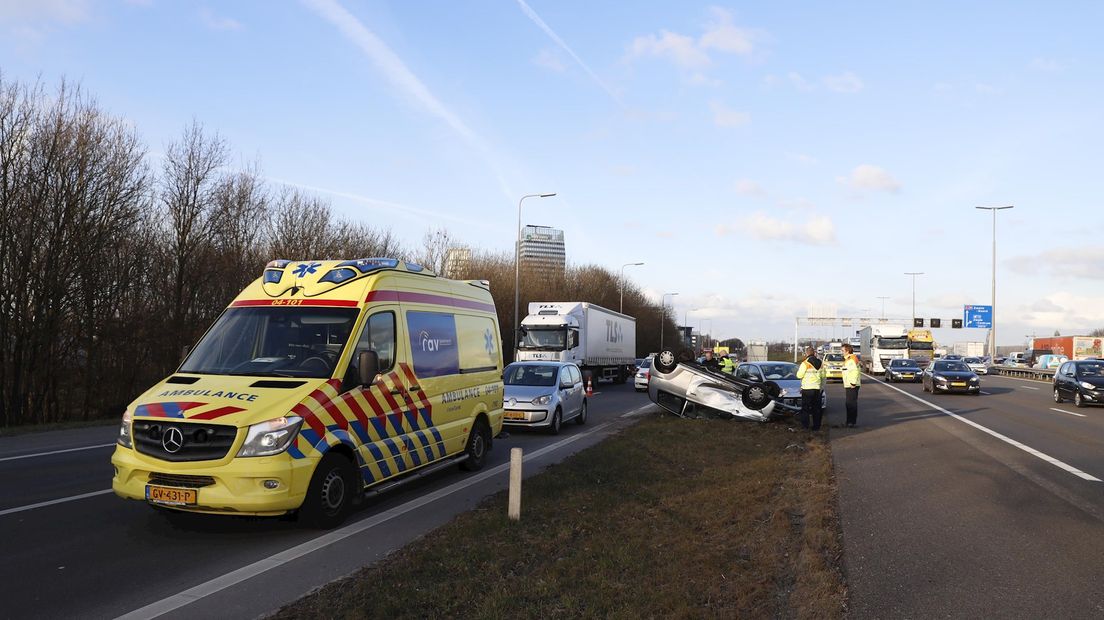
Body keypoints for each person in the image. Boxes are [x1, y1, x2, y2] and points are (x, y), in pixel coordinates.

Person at [795, 345, 826, 430]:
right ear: (814, 353)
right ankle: (816, 427)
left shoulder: (805, 363)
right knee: (816, 409)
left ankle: (805, 426)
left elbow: (799, 375)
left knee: (805, 409)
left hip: (807, 389)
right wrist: (821, 388)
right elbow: (823, 376)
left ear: (806, 353)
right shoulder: (820, 363)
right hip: (817, 389)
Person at [841, 343, 861, 427]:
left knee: (851, 404)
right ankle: (849, 421)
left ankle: (851, 422)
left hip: (852, 385)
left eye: (842, 350)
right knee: (849, 404)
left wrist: (853, 383)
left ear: (847, 351)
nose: (841, 352)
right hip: (849, 384)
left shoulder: (851, 359)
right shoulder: (848, 359)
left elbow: (854, 371)